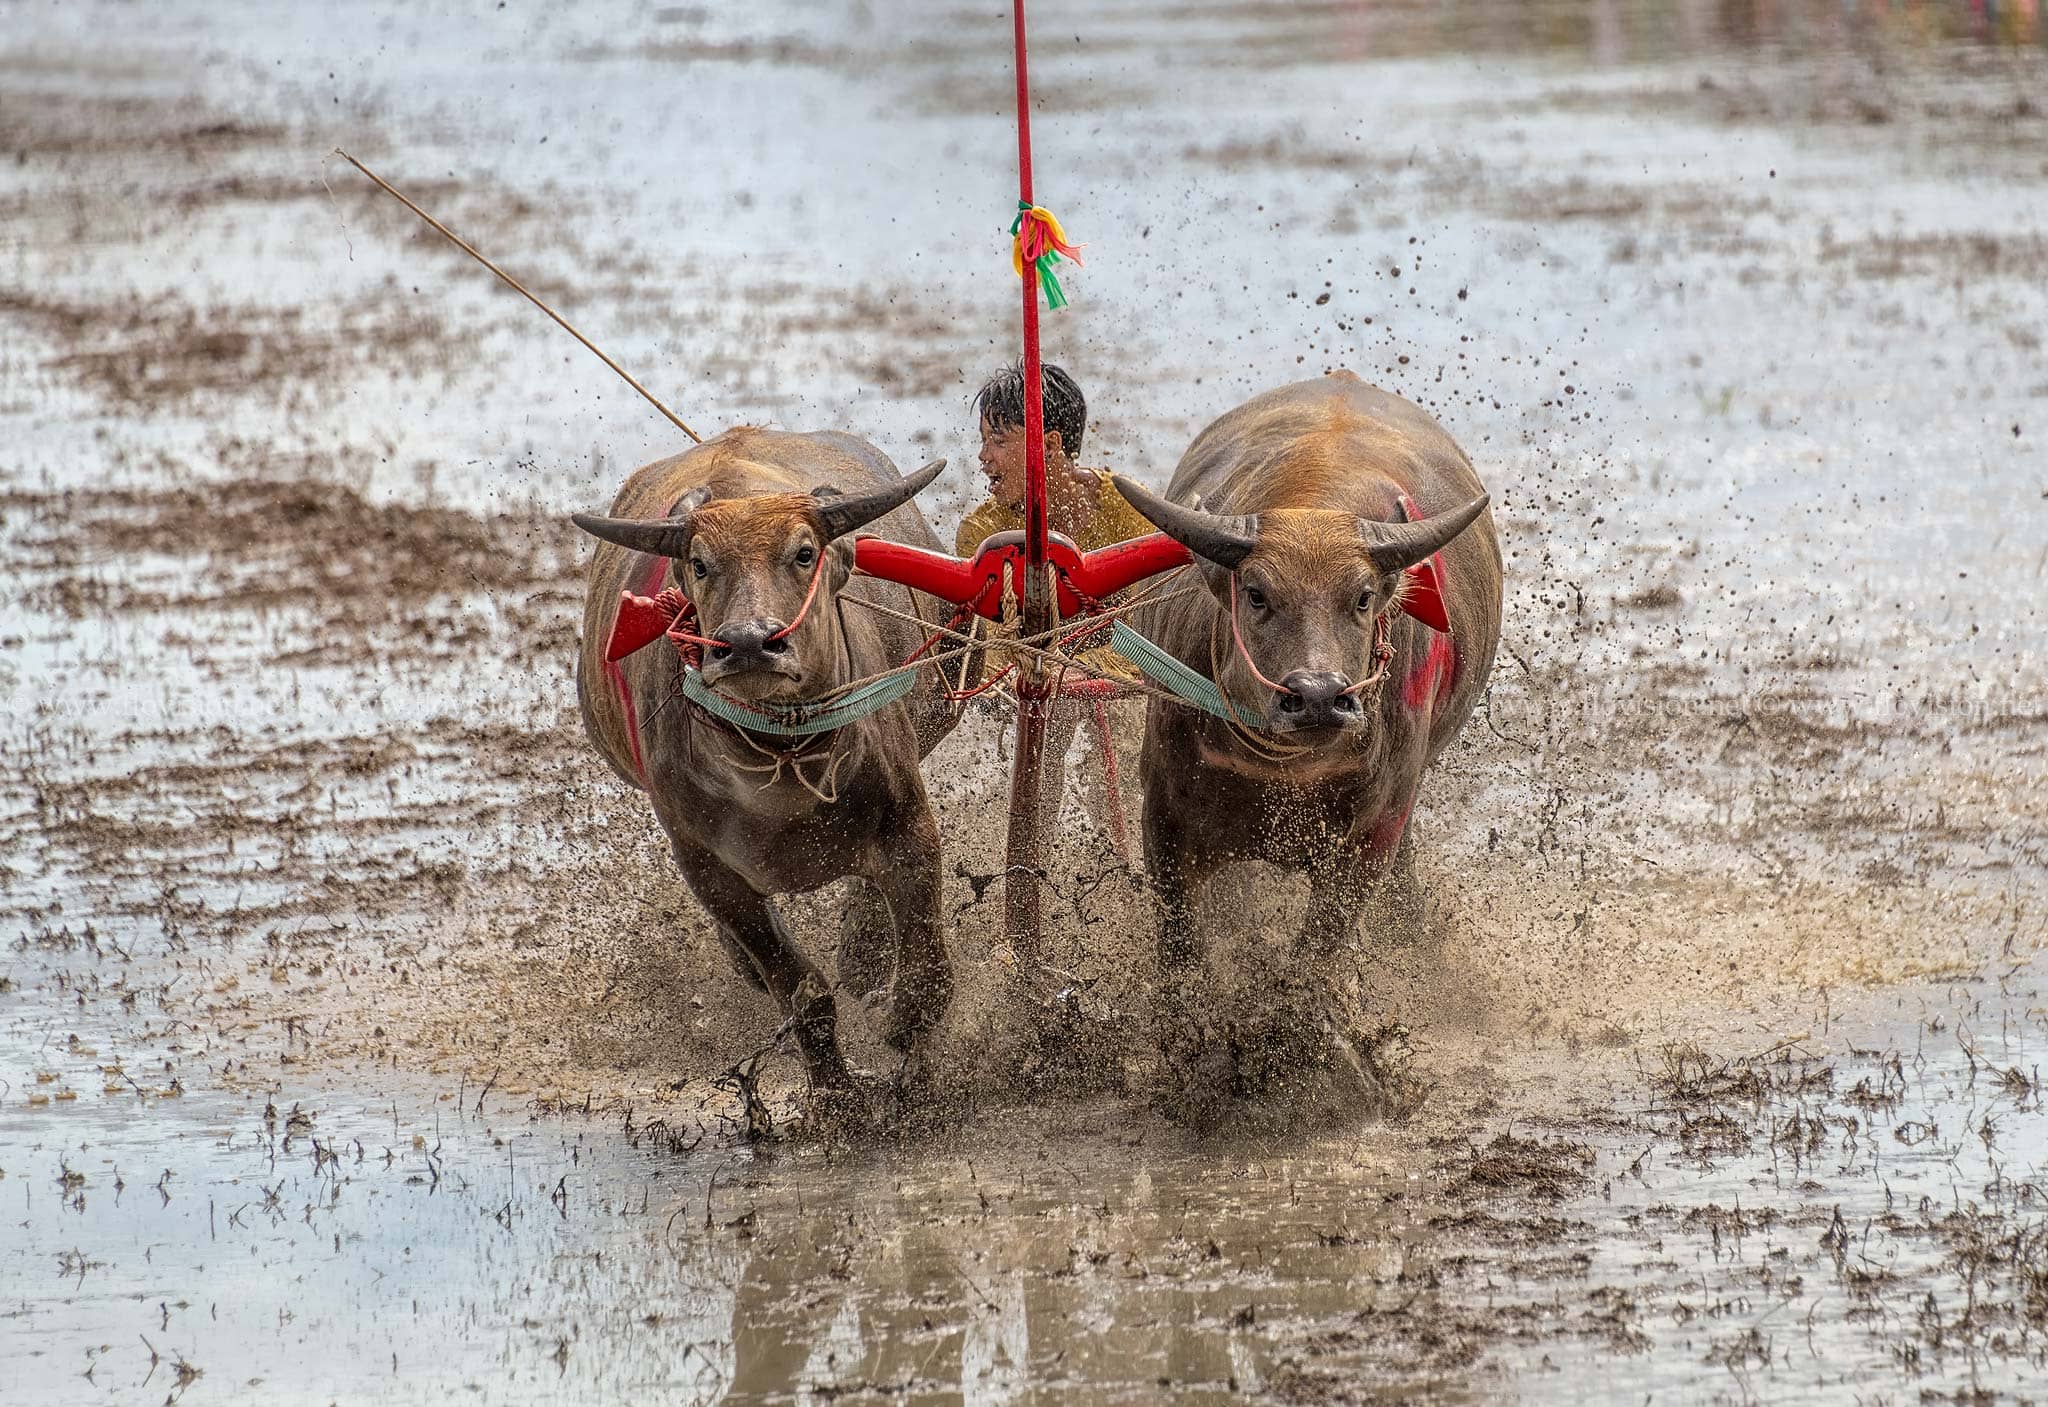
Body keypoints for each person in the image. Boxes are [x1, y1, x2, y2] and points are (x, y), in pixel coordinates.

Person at [954, 362, 1154, 861]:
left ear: (1049, 446)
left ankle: (1128, 851)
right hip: (1029, 668)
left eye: (998, 441)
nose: (982, 458)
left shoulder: (1126, 506)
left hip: (1122, 663)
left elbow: (1156, 608)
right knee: (1054, 703)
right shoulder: (981, 535)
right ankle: (1031, 858)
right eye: (982, 442)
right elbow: (995, 642)